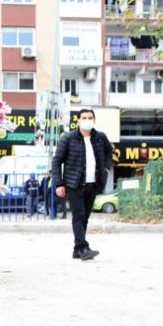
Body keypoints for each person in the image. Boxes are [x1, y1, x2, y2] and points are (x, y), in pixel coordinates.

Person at [51, 108, 114, 260]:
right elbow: (56, 161)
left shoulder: (100, 137)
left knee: (85, 217)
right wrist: (59, 184)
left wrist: (105, 168)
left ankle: (77, 250)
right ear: (78, 120)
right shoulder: (68, 138)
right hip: (73, 184)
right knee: (78, 215)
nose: (87, 120)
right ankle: (83, 247)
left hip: (93, 184)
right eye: (84, 117)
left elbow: (109, 152)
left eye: (90, 117)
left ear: (94, 120)